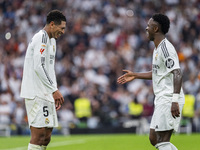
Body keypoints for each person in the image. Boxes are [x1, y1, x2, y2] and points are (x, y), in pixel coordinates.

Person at [117, 13, 185, 150]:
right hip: (161, 98)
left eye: (148, 26)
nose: (146, 28)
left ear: (155, 29)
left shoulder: (165, 48)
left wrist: (174, 100)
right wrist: (135, 75)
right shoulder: (157, 49)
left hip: (168, 98)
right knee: (154, 138)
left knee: (162, 140)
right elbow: (157, 73)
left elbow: (177, 72)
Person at [20, 10, 66, 150]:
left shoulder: (52, 40)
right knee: (38, 135)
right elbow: (38, 66)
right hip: (36, 92)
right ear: (52, 24)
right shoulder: (42, 37)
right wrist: (54, 90)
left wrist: (53, 91)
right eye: (62, 28)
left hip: (46, 93)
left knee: (46, 137)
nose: (63, 32)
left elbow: (49, 68)